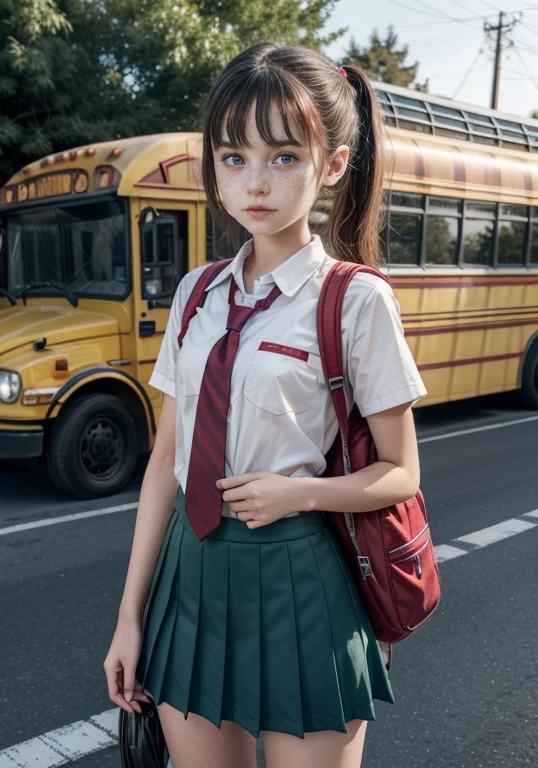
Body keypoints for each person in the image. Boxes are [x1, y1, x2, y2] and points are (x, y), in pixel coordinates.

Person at [104, 41, 427, 768]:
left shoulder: (355, 300)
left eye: (284, 157)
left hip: (300, 585)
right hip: (189, 583)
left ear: (333, 166)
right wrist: (129, 620)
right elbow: (165, 466)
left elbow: (401, 472)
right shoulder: (195, 294)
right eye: (232, 157)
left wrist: (301, 493)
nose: (256, 182)